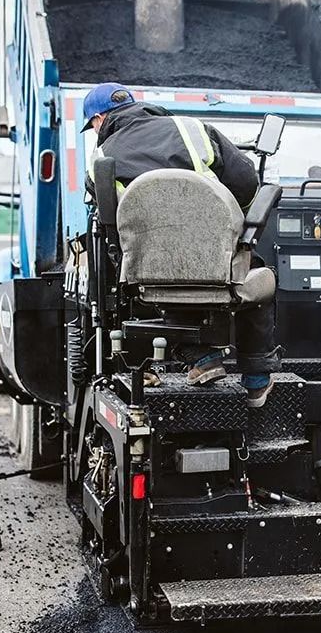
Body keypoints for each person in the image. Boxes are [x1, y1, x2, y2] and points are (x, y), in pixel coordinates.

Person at [82, 82, 279, 407]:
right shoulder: (193, 130)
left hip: (147, 276)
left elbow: (110, 227)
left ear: (99, 119)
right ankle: (257, 380)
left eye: (91, 126)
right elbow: (246, 182)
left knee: (139, 274)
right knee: (258, 274)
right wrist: (230, 229)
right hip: (218, 266)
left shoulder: (100, 159)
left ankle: (199, 359)